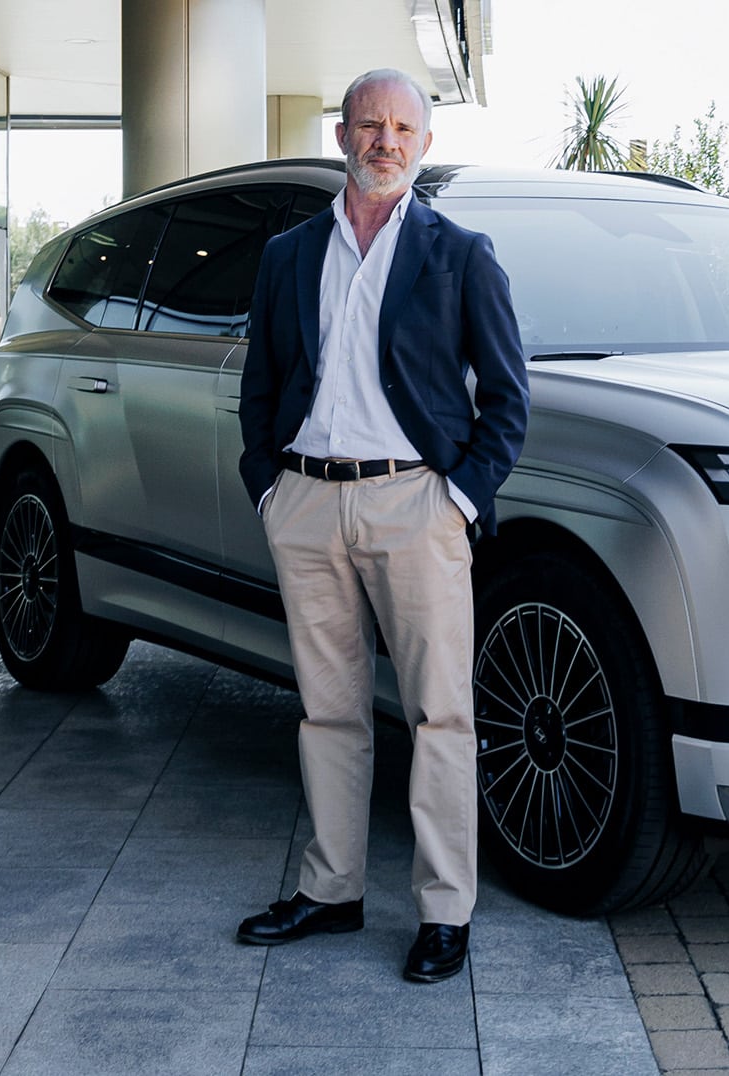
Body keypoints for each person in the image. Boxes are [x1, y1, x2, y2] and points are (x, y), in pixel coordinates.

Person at [233, 67, 528, 983]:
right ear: (343, 135)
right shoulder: (289, 256)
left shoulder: (462, 253)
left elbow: (509, 400)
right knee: (327, 709)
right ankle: (333, 890)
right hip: (308, 501)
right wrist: (269, 488)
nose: (386, 141)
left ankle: (445, 911)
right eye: (370, 124)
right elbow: (262, 386)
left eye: (404, 127)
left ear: (425, 144)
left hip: (415, 505)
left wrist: (459, 497)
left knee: (441, 712)